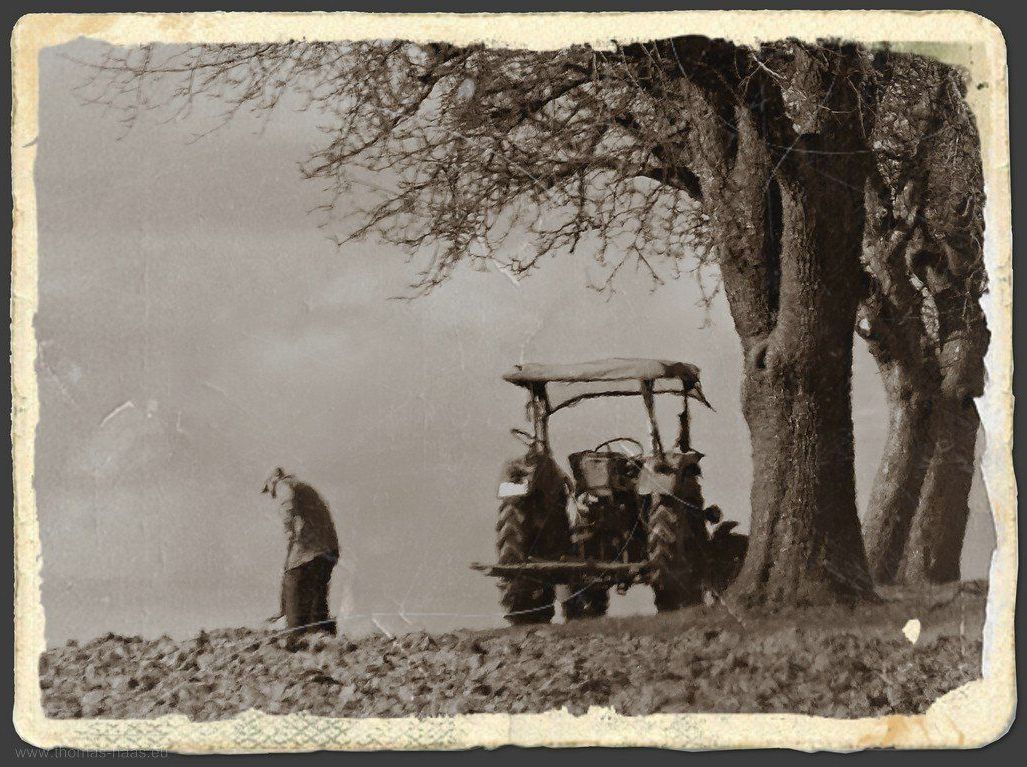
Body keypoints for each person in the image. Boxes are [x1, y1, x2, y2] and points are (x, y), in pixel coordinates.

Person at [262, 467, 340, 640]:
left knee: (293, 584)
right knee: (316, 595)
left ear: (273, 480)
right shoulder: (305, 487)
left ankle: (295, 636)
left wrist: (289, 531)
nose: (272, 494)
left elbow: (287, 504)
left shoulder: (284, 485)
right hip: (329, 548)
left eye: (270, 489)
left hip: (310, 550)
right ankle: (321, 634)